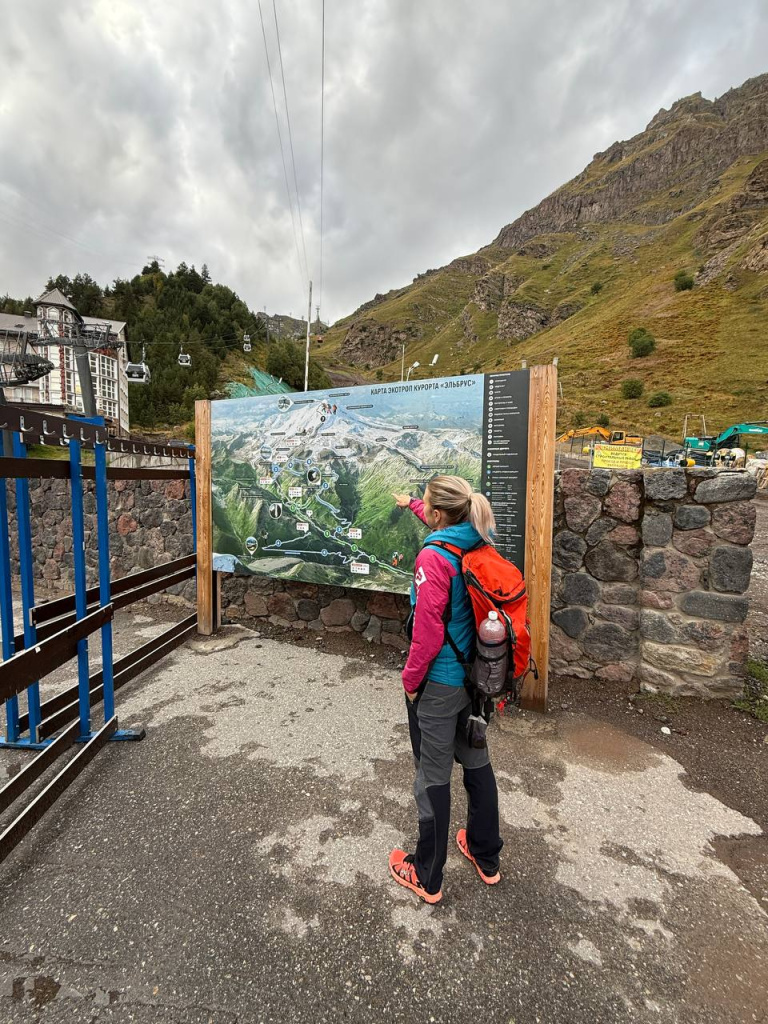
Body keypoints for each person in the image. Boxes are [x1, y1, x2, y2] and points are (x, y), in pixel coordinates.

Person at [388, 476, 503, 904]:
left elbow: (427, 631)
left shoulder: (433, 558)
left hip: (439, 682)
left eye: (429, 510)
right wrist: (413, 505)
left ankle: (427, 875)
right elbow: (441, 522)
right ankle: (485, 853)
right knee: (476, 763)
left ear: (440, 515)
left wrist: (411, 681)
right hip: (477, 679)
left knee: (432, 777)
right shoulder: (478, 539)